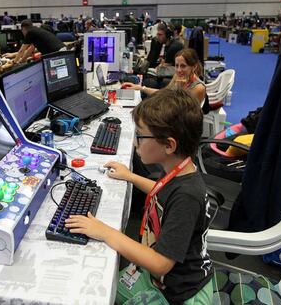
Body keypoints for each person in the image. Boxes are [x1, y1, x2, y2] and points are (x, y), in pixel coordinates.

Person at [66, 88, 213, 304]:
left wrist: (105, 232)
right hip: (158, 275)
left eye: (140, 136)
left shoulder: (187, 196)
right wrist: (130, 176)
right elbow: (163, 190)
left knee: (93, 295)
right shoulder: (180, 170)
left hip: (179, 291)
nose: (135, 143)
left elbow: (161, 263)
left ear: (169, 145)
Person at [124, 48, 206, 106]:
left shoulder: (199, 88)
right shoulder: (178, 76)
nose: (178, 70)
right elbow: (164, 93)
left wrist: (180, 89)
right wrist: (141, 88)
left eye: (183, 66)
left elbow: (182, 112)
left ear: (194, 67)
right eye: (176, 66)